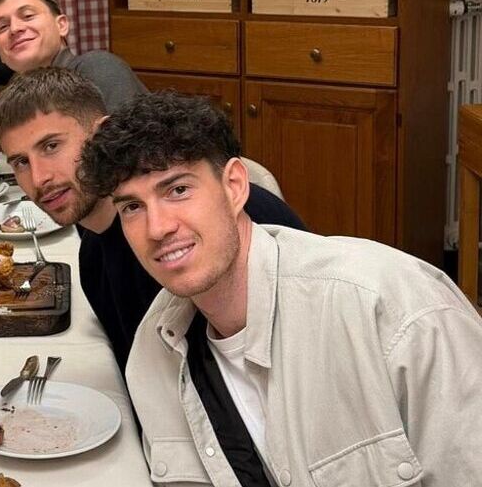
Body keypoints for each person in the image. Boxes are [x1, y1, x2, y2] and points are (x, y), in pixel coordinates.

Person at [83, 92, 482, 484]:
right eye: (132, 207)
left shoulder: (392, 311)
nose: (157, 228)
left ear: (235, 186)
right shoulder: (153, 358)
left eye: (178, 190)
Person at [0, 69, 303, 372]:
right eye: (21, 162)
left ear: (100, 134)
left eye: (51, 146)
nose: (40, 177)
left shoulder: (229, 217)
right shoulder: (93, 257)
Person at [0, 0, 146, 113]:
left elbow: (130, 148)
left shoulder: (98, 68)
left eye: (28, 16)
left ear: (61, 25)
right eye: (2, 27)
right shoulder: (12, 102)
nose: (14, 29)